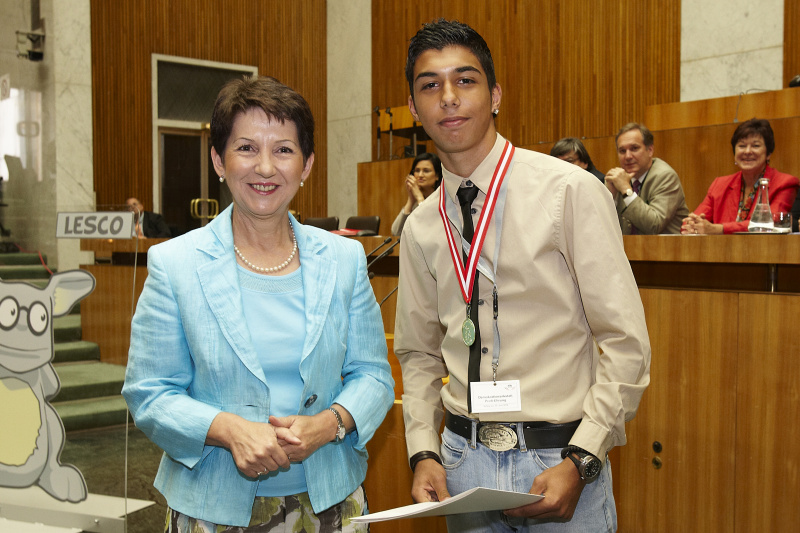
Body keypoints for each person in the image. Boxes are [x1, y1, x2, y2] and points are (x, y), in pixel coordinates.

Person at [394, 19, 650, 532]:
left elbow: (625, 343)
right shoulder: (422, 226)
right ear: (416, 108)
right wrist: (422, 449)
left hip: (557, 460)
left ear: (495, 95)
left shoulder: (568, 191)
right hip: (462, 465)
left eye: (464, 80)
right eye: (429, 86)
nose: (447, 97)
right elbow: (418, 355)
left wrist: (583, 459)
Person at [122, 76, 394, 532]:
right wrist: (228, 429)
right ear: (219, 161)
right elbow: (149, 392)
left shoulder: (345, 259)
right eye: (247, 148)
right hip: (212, 507)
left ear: (307, 165)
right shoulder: (175, 263)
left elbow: (373, 375)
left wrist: (328, 424)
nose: (265, 168)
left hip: (329, 501)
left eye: (284, 150)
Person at [681, 118, 799, 235]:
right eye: (742, 146)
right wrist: (692, 226)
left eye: (755, 146)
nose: (747, 151)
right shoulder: (720, 184)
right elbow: (690, 223)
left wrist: (719, 229)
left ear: (768, 154)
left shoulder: (784, 183)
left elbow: (769, 224)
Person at [605, 123, 689, 234]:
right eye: (622, 151)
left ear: (650, 150)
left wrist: (626, 190)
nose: (628, 156)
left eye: (634, 148)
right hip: (631, 248)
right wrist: (610, 198)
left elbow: (654, 225)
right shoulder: (618, 179)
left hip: (666, 249)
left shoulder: (665, 176)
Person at [391, 152, 443, 235]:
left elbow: (431, 227)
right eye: (417, 171)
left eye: (426, 171)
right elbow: (396, 232)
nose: (420, 175)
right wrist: (411, 200)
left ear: (437, 176)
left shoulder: (442, 199)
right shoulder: (416, 203)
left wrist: (419, 197)